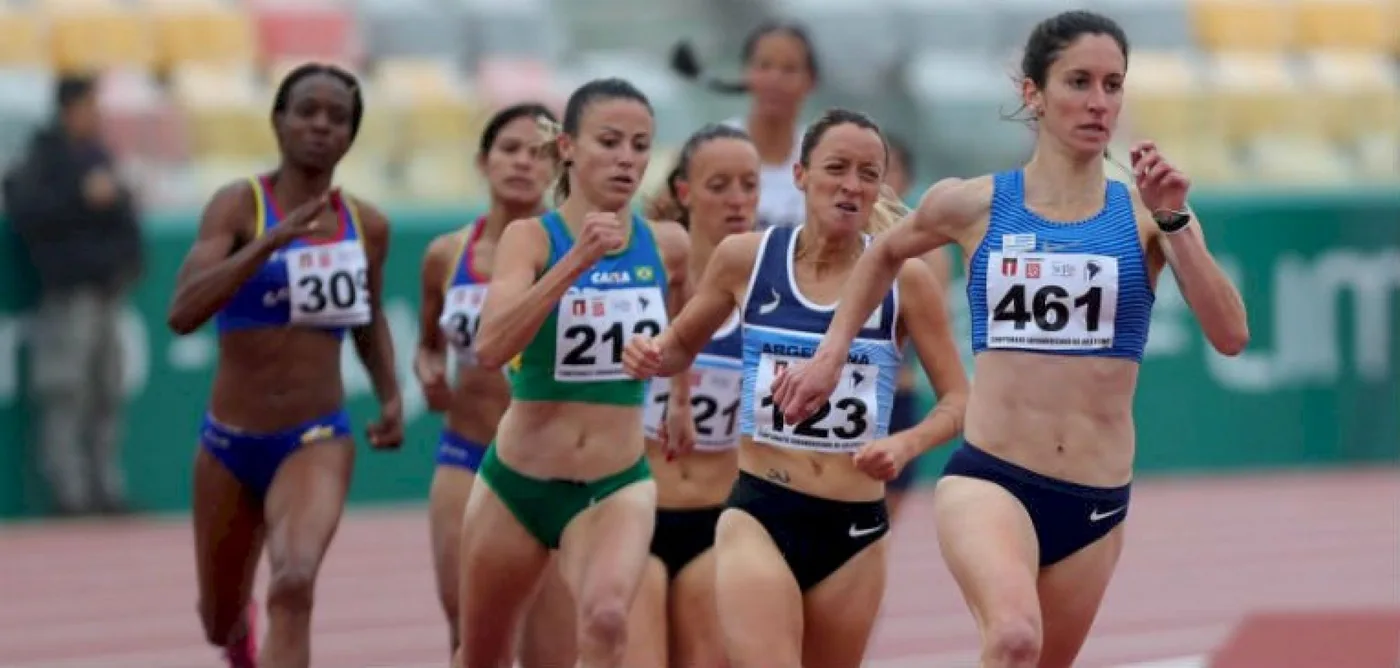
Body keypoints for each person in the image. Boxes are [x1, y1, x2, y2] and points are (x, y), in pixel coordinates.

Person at [771, 12, 1249, 667]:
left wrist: (1177, 220)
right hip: (990, 480)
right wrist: (831, 355)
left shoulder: (1144, 217)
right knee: (1015, 636)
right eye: (1078, 81)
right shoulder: (974, 205)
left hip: (1094, 500)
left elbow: (1230, 334)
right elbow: (881, 254)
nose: (1098, 101)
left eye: (1113, 85)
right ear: (1033, 94)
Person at [623, 108, 970, 668]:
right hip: (761, 510)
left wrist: (905, 444)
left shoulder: (908, 283)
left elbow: (959, 401)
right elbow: (680, 346)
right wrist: (651, 353)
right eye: (837, 167)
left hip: (853, 530)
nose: (852, 185)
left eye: (868, 173)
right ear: (802, 176)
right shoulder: (748, 260)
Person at [165, 63, 405, 668]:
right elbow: (183, 312)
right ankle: (238, 641)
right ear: (279, 120)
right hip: (229, 442)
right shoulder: (236, 205)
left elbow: (369, 317)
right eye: (307, 111)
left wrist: (390, 394)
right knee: (217, 619)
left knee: (294, 582)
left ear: (351, 134)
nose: (321, 125)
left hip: (316, 436)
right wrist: (269, 243)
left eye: (338, 117)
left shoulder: (366, 225)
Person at [453, 77, 691, 668]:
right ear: (567, 147)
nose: (626, 159)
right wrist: (575, 262)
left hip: (615, 482)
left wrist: (673, 381)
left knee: (608, 621)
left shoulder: (668, 245)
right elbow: (490, 345)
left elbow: (684, 333)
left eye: (640, 145)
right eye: (609, 141)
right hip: (518, 482)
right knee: (480, 654)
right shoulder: (531, 238)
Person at [414, 102, 576, 667]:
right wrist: (427, 371)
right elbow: (428, 346)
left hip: (547, 464)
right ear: (483, 161)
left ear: (559, 168)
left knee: (549, 651)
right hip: (466, 454)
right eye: (509, 149)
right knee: (468, 631)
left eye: (539, 154)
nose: (522, 164)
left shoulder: (575, 254)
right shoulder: (445, 255)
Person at [629, 123, 758, 667]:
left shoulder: (772, 294)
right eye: (719, 184)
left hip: (718, 514)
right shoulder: (644, 279)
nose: (736, 199)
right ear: (684, 192)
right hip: (634, 509)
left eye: (749, 185)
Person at [3, 74, 144, 517]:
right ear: (69, 109)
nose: (95, 115)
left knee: (107, 391)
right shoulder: (42, 158)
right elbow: (28, 213)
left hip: (106, 291)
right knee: (66, 392)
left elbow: (123, 212)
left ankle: (105, 487)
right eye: (88, 106)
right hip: (68, 293)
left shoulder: (98, 154)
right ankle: (70, 491)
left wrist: (127, 258)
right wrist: (81, 197)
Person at [671, 21, 818, 231]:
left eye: (789, 69)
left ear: (811, 81)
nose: (775, 79)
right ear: (745, 72)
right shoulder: (706, 150)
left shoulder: (824, 157)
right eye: (764, 66)